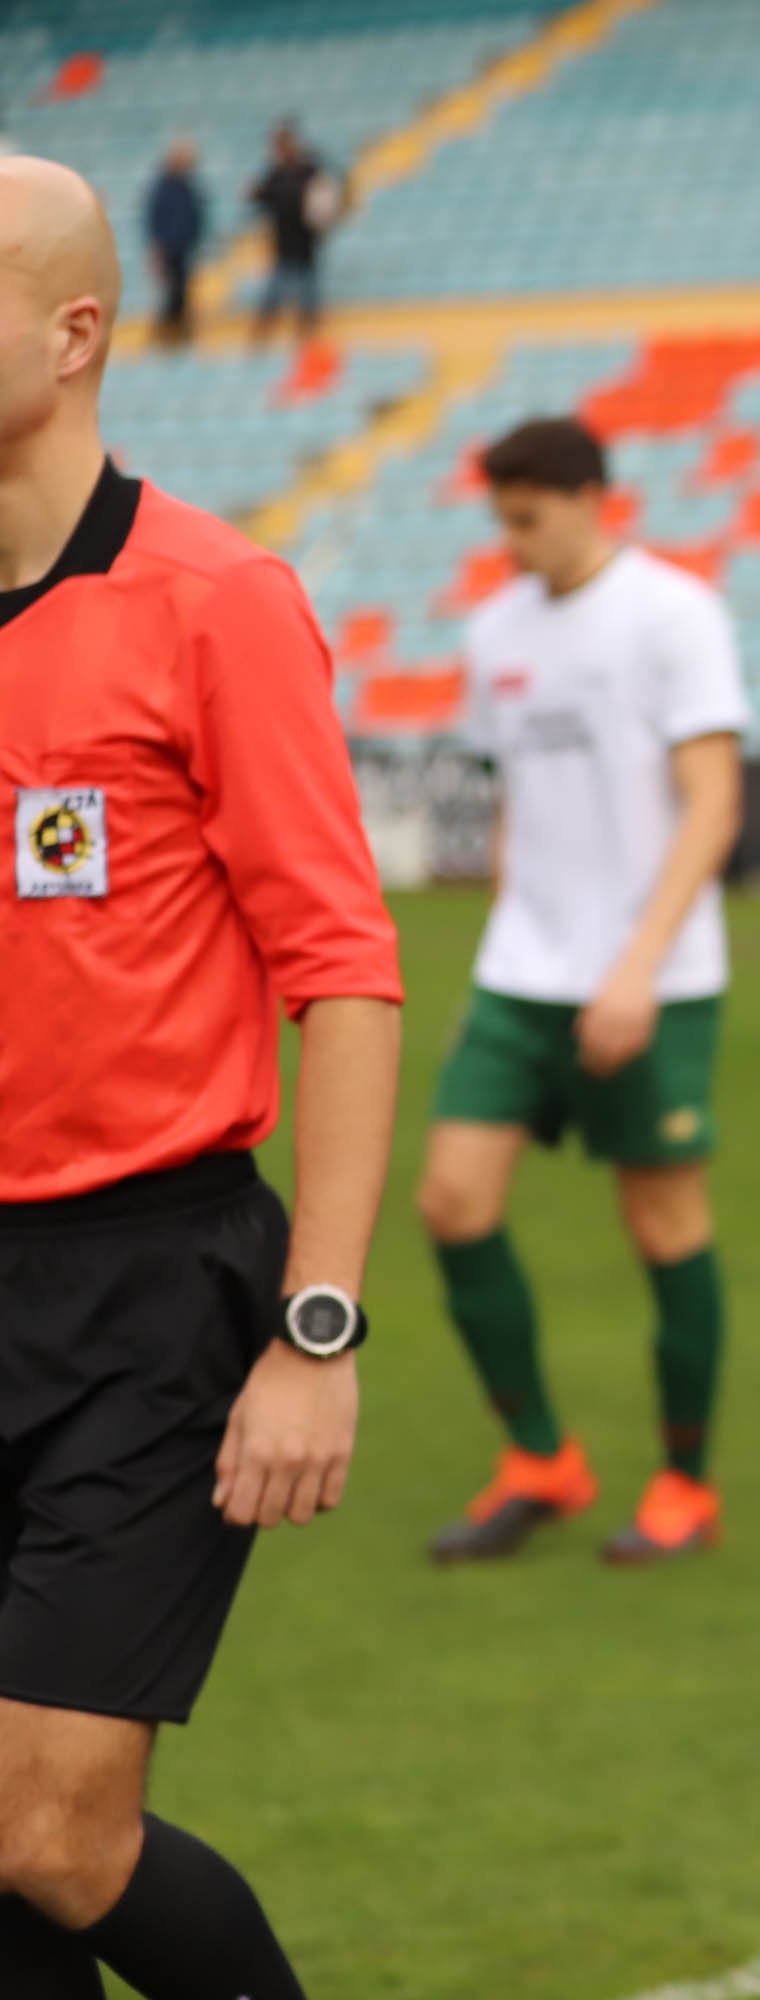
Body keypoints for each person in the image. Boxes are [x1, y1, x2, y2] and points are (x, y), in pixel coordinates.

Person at [0, 155, 402, 1999]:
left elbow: (346, 975)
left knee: (49, 1832)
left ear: (76, 331)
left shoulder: (214, 600)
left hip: (149, 1288)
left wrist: (315, 1333)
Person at [418, 416, 749, 1567]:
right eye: (498, 518)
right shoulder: (495, 628)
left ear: (593, 498)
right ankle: (540, 1455)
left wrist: (635, 966)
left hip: (653, 976)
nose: (510, 541)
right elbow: (520, 801)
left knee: (661, 1223)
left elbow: (712, 801)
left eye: (528, 517)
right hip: (524, 975)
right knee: (452, 1201)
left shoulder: (672, 614)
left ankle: (685, 1482)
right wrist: (509, 947)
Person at [246, 124, 330, 342]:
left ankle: (306, 340)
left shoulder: (309, 172)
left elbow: (324, 201)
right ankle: (259, 342)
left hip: (305, 247)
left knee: (307, 299)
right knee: (271, 299)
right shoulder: (275, 175)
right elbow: (258, 198)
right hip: (283, 249)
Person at [141, 140, 203, 348]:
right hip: (168, 250)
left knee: (182, 293)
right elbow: (155, 221)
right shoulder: (162, 189)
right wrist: (157, 248)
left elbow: (195, 218)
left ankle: (180, 335)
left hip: (184, 249)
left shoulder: (187, 186)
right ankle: (164, 337)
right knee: (168, 293)